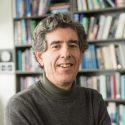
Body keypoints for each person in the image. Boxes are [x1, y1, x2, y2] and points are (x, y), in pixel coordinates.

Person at [5, 13, 111, 125]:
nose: (66, 54)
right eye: (56, 46)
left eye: (72, 45)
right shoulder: (21, 106)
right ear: (40, 57)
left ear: (80, 55)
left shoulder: (94, 100)